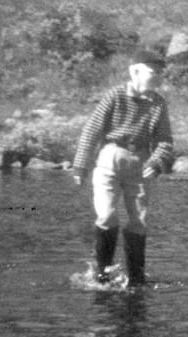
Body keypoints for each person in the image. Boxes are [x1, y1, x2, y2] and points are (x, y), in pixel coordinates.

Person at [71, 47, 175, 285]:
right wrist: (80, 166)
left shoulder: (159, 103)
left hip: (140, 163)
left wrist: (157, 162)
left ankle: (136, 278)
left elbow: (165, 141)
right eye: (153, 71)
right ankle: (102, 274)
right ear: (135, 71)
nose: (158, 76)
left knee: (138, 222)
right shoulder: (114, 96)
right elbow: (92, 130)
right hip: (110, 157)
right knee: (107, 215)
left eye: (161, 72)